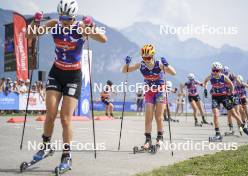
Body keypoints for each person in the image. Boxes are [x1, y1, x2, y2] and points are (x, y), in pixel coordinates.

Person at [26, 0, 107, 171]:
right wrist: (35, 21)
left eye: (69, 18)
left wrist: (91, 25)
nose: (65, 22)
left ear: (74, 17)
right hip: (56, 73)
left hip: (73, 76)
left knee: (65, 118)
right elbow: (30, 35)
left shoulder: (80, 28)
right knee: (50, 113)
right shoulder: (54, 24)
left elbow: (103, 39)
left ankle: (66, 155)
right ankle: (46, 145)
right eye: (63, 17)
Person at [121, 44, 176, 149]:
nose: (146, 59)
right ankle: (148, 140)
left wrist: (167, 65)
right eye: (144, 57)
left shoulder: (159, 64)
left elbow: (173, 73)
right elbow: (124, 71)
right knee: (148, 117)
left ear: (153, 55)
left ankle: (160, 138)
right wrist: (126, 64)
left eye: (148, 57)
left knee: (158, 116)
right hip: (149, 92)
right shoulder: (140, 65)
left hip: (160, 91)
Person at [204, 62, 248, 142]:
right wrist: (205, 89)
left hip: (224, 97)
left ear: (220, 70)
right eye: (214, 70)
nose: (215, 72)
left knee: (234, 114)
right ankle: (218, 135)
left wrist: (230, 93)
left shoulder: (223, 77)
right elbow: (205, 81)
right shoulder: (211, 76)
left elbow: (231, 85)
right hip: (215, 97)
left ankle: (244, 128)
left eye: (217, 70)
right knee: (216, 115)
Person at [222, 66, 243, 135]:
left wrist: (236, 78)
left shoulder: (232, 76)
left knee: (237, 111)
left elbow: (239, 83)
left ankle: (240, 126)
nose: (224, 74)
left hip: (234, 95)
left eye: (226, 73)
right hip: (227, 96)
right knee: (229, 114)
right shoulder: (221, 77)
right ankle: (231, 129)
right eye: (223, 72)